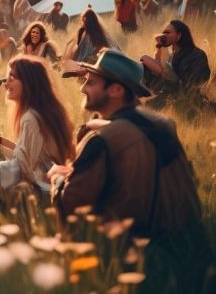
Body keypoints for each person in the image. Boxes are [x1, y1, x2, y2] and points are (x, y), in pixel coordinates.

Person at [50, 49, 210, 294]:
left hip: (136, 269)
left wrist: (58, 178)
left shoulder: (102, 138)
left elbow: (71, 203)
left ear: (116, 90)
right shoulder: (164, 125)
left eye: (91, 83)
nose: (82, 88)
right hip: (190, 262)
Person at [0, 56, 74, 205]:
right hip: (34, 182)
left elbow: (25, 170)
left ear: (29, 82)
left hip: (33, 188)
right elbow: (29, 156)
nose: (6, 84)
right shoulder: (42, 113)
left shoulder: (31, 118)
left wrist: (1, 179)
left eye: (12, 78)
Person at [140, 20, 211, 105]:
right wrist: (160, 46)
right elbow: (158, 64)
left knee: (144, 57)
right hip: (168, 90)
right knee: (143, 65)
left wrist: (166, 75)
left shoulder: (197, 55)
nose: (164, 35)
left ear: (179, 35)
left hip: (183, 97)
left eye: (168, 32)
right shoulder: (173, 54)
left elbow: (194, 84)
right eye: (164, 33)